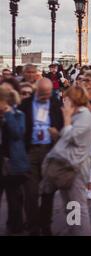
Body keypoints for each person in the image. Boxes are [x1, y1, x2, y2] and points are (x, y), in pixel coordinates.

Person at [42, 86, 91, 235]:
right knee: (70, 206)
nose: (64, 102)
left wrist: (66, 121)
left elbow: (72, 137)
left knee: (77, 207)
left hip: (75, 169)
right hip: (67, 167)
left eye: (66, 99)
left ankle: (80, 232)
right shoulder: (77, 115)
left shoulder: (85, 116)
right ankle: (74, 231)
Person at [19, 78, 63, 236]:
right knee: (30, 192)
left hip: (49, 151)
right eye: (43, 93)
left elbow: (62, 124)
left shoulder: (55, 103)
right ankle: (33, 226)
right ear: (36, 90)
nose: (46, 96)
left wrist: (57, 133)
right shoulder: (25, 104)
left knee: (48, 191)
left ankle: (46, 223)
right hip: (31, 151)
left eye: (48, 93)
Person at [0, 86, 30, 235]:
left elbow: (17, 134)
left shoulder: (18, 115)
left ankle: (15, 227)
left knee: (14, 198)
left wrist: (8, 115)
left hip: (12, 161)